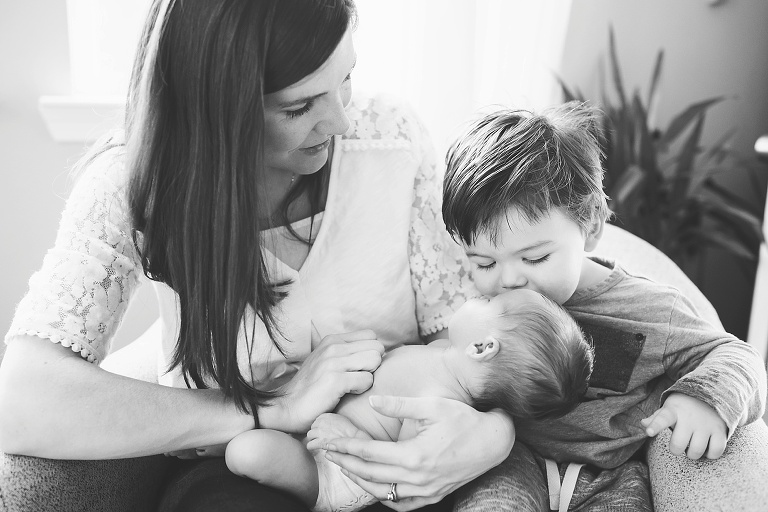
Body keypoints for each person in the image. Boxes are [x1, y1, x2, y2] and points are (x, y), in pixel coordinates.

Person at [0, 1, 518, 510]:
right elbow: (23, 403)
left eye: (345, 80)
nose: (339, 120)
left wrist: (494, 433)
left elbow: (469, 333)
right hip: (243, 474)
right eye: (299, 107)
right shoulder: (136, 186)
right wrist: (268, 408)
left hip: (399, 439)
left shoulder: (390, 136)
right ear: (215, 109)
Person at [424, 101, 765, 511]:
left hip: (612, 477)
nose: (508, 280)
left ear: (591, 228)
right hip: (509, 463)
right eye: (484, 262)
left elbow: (733, 353)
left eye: (534, 258)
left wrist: (704, 397)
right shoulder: (483, 308)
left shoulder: (648, 308)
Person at [225, 288, 594, 512]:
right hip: (317, 425)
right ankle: (226, 429)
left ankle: (229, 442)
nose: (477, 294)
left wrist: (349, 437)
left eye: (489, 302)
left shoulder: (438, 407)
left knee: (248, 452)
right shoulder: (440, 352)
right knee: (255, 423)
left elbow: (395, 467)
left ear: (482, 347)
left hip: (335, 472)